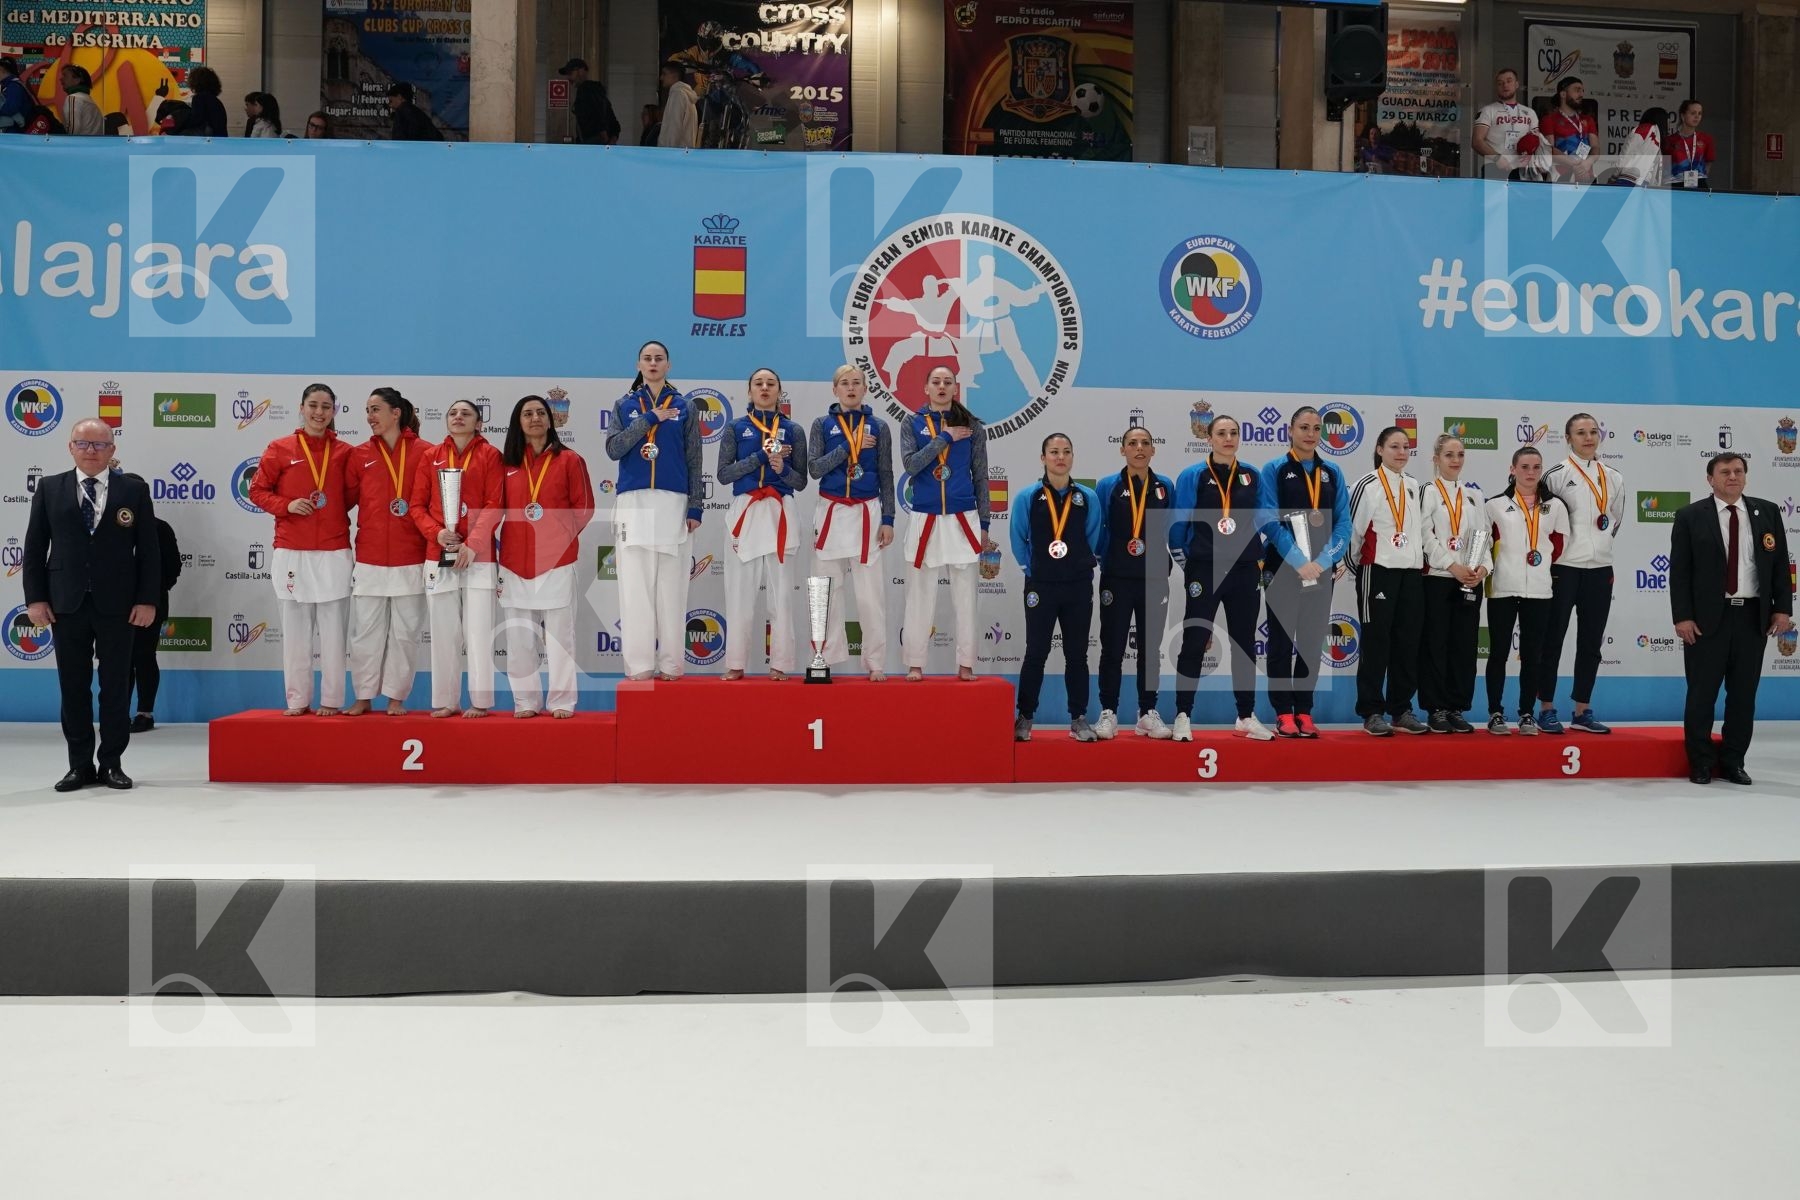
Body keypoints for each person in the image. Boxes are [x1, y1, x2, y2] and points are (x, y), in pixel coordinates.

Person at [21, 419, 160, 790]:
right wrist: (35, 599)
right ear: (70, 447)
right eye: (83, 444)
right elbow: (34, 548)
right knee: (73, 686)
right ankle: (79, 764)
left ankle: (112, 762)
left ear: (112, 450)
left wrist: (147, 600)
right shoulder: (50, 488)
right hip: (66, 604)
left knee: (115, 686)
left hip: (119, 605)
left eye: (100, 445)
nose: (91, 451)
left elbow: (148, 551)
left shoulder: (134, 490)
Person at [1670, 454, 1794, 784]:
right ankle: (1700, 762)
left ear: (1746, 477)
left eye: (1739, 471)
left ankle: (1734, 761)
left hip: (1753, 618)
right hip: (1708, 621)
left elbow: (1781, 564)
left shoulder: (1767, 512)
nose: (1733, 476)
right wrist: (1682, 617)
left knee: (1743, 696)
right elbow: (1679, 573)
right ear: (1710, 479)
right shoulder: (1690, 516)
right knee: (1701, 695)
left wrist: (1782, 608)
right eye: (1724, 472)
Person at [249, 384, 353, 716]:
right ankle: (297, 699)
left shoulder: (345, 452)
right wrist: (287, 504)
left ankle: (333, 700)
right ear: (301, 407)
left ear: (334, 411)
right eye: (313, 405)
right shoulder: (280, 448)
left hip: (334, 550)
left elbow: (350, 495)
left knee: (334, 631)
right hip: (292, 550)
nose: (319, 412)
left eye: (326, 407)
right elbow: (257, 490)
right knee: (295, 631)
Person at [1169, 414, 1272, 743]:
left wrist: (1257, 558)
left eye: (1233, 433)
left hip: (1243, 569)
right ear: (1209, 438)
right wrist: (1190, 565)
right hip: (1205, 567)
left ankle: (1245, 716)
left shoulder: (1252, 476)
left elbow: (1264, 520)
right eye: (1221, 433)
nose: (1228, 438)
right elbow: (1178, 526)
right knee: (1194, 641)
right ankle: (1183, 715)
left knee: (1244, 644)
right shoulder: (1193, 475)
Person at [605, 340, 704, 681]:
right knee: (635, 588)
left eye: (658, 358)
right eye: (647, 358)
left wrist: (696, 506)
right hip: (634, 503)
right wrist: (648, 419)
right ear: (638, 364)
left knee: (672, 589)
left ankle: (672, 664)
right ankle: (640, 665)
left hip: (672, 502)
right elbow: (614, 448)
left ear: (668, 365)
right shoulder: (625, 404)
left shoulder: (685, 406)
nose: (652, 363)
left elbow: (694, 458)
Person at [498, 395, 595, 717]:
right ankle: (525, 702)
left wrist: (557, 540)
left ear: (550, 420)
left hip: (556, 563)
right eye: (527, 413)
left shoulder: (569, 460)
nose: (535, 418)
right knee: (520, 642)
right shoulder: (507, 464)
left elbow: (583, 509)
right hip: (514, 563)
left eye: (540, 412)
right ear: (518, 421)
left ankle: (561, 701)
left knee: (559, 640)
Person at [1257, 407, 1351, 738]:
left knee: (1311, 643)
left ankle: (1304, 711)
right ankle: (1283, 711)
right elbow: (1268, 519)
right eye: (1304, 427)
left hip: (1321, 570)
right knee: (1281, 643)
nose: (1310, 433)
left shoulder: (1332, 472)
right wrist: (1299, 560)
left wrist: (1323, 562)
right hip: (1283, 568)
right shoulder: (1274, 469)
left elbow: (1344, 524)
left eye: (1315, 428)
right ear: (1290, 430)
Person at [409, 399, 503, 717]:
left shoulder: (491, 455)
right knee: (444, 631)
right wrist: (436, 533)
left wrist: (472, 544)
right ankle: (447, 700)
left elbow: (495, 503)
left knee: (478, 632)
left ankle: (480, 701)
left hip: (479, 555)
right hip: (439, 553)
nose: (458, 417)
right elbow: (416, 506)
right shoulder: (431, 456)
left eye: (466, 413)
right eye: (452, 413)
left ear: (479, 422)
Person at [899, 366, 994, 681]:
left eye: (947, 382)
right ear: (926, 387)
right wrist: (944, 437)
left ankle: (966, 663)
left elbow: (980, 476)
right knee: (919, 593)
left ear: (956, 388)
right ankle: (915, 663)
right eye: (935, 381)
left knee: (966, 595)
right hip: (925, 516)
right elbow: (911, 464)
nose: (941, 386)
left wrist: (984, 522)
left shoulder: (973, 427)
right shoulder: (911, 423)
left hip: (962, 516)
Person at [1536, 413, 1626, 735]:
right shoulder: (1556, 475)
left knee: (1591, 643)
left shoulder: (1613, 477)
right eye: (1580, 432)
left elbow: (1614, 521)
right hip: (1564, 569)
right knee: (1553, 639)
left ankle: (1582, 710)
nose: (1588, 437)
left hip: (1600, 569)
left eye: (1592, 431)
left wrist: (1596, 548)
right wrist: (1567, 553)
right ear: (1568, 438)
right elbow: (1544, 525)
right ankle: (1545, 708)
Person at [1010, 433, 1101, 742]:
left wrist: (1076, 563)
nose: (1060, 457)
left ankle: (1078, 718)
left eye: (1065, 452)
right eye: (1053, 452)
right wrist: (1031, 570)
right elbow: (1018, 538)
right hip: (1041, 587)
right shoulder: (1027, 496)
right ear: (1043, 457)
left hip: (1077, 586)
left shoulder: (1087, 497)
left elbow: (1092, 537)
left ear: (1072, 457)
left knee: (1077, 655)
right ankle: (1025, 717)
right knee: (1036, 652)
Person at [719, 367, 808, 680]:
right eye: (759, 383)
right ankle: (735, 663)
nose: (765, 388)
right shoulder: (735, 428)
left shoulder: (794, 430)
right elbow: (724, 474)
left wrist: (782, 468)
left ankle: (780, 663)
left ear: (779, 391)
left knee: (781, 595)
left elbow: (801, 482)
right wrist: (760, 456)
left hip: (780, 510)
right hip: (746, 510)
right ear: (750, 391)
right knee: (739, 594)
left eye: (771, 383)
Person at [809, 365, 895, 681]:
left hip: (866, 512)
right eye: (844, 383)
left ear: (865, 389)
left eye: (857, 382)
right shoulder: (822, 425)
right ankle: (822, 660)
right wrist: (849, 446)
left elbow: (886, 473)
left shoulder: (880, 427)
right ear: (835, 389)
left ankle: (875, 663)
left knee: (870, 596)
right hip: (831, 511)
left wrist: (888, 518)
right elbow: (815, 469)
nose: (851, 388)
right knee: (825, 591)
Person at [344, 388, 427, 716]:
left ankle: (396, 697)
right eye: (367, 410)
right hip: (370, 557)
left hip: (412, 556)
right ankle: (363, 696)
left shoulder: (426, 452)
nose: (370, 416)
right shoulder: (359, 454)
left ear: (396, 413)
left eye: (376, 409)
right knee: (366, 633)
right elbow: (343, 501)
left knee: (405, 634)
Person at [1093, 424, 1175, 740]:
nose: (1139, 448)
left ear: (1153, 450)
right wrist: (1107, 561)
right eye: (1132, 443)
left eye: (1145, 443)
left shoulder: (1165, 486)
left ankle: (1146, 713)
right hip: (1116, 577)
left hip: (1154, 578)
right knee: (1112, 647)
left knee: (1150, 650)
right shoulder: (1107, 486)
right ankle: (1108, 712)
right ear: (1122, 449)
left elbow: (1169, 528)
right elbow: (1097, 529)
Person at [1484, 447, 1570, 735]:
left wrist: (1538, 566)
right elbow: (1486, 545)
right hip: (1502, 589)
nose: (1530, 472)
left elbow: (1558, 546)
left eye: (1536, 466)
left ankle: (1526, 714)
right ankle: (1495, 712)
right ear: (1513, 469)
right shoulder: (1495, 505)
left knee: (1533, 655)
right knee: (1498, 653)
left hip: (1539, 590)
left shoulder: (1555, 506)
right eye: (1524, 466)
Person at [1349, 426, 1428, 735]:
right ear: (1380, 450)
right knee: (1375, 642)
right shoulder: (1366, 484)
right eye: (1394, 446)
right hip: (1377, 571)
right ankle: (1371, 710)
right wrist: (1362, 569)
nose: (1401, 452)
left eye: (1405, 447)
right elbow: (1353, 533)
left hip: (1411, 573)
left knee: (1407, 643)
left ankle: (1401, 708)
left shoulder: (1413, 485)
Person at [1417, 434, 1486, 734]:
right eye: (1448, 455)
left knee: (1464, 646)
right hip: (1438, 579)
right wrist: (1452, 565)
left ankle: (1457, 707)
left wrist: (1480, 568)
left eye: (1460, 454)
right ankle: (1436, 708)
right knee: (1436, 644)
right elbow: (1424, 535)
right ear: (1435, 459)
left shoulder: (1474, 495)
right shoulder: (1427, 492)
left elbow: (1483, 535)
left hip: (1470, 579)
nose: (1455, 460)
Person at [127, 486, 182, 732]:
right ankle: (116, 713)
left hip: (151, 605)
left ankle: (145, 713)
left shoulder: (160, 527)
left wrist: (152, 594)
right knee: (117, 662)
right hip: (112, 607)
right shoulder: (107, 526)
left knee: (144, 657)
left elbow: (173, 567)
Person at [1472, 68, 1541, 180]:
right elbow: (1477, 141)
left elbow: (1536, 140)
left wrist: (1534, 158)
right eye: (1500, 83)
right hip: (1495, 167)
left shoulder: (1530, 112)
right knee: (1495, 198)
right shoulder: (1488, 110)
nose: (1505, 85)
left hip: (1522, 168)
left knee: (1520, 198)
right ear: (1497, 87)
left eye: (1509, 81)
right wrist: (1497, 158)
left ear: (1517, 84)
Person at [1543, 76, 1597, 184]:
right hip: (1560, 174)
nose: (1581, 94)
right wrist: (1574, 164)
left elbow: (1596, 146)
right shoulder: (1549, 119)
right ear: (1563, 94)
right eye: (1577, 90)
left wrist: (1588, 163)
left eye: (1582, 91)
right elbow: (1549, 149)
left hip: (1586, 173)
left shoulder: (1588, 120)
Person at [558, 58, 621, 145]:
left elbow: (599, 115)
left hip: (592, 144)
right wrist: (612, 139)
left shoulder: (585, 89)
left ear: (581, 71)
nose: (568, 78)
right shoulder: (597, 92)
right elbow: (613, 121)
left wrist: (605, 138)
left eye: (570, 73)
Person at [1612, 107, 1669, 187]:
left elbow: (1627, 153)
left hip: (1629, 179)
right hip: (1644, 183)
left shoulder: (1643, 128)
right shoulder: (1659, 140)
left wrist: (1614, 176)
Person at [1670, 99, 1714, 190]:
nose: (1697, 117)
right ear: (1683, 116)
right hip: (1676, 186)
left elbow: (1708, 162)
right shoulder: (1669, 140)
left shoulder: (1706, 139)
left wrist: (1699, 176)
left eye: (1699, 113)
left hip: (1699, 185)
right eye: (1693, 113)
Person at [657, 61, 697, 149]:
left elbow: (674, 127)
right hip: (683, 152)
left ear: (674, 75)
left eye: (664, 74)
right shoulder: (686, 95)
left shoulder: (678, 94)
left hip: (674, 154)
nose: (661, 78)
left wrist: (668, 153)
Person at [184, 66, 229, 137]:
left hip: (208, 140)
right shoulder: (217, 101)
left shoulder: (199, 98)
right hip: (220, 139)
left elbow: (196, 120)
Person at [59, 66, 103, 135]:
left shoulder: (73, 98)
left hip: (80, 145)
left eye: (65, 75)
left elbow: (72, 130)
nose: (61, 79)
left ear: (77, 80)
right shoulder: (88, 99)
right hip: (94, 144)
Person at [1, 57, 33, 132]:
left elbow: (11, 108)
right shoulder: (10, 85)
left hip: (16, 133)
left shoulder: (14, 86)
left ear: (1, 69)